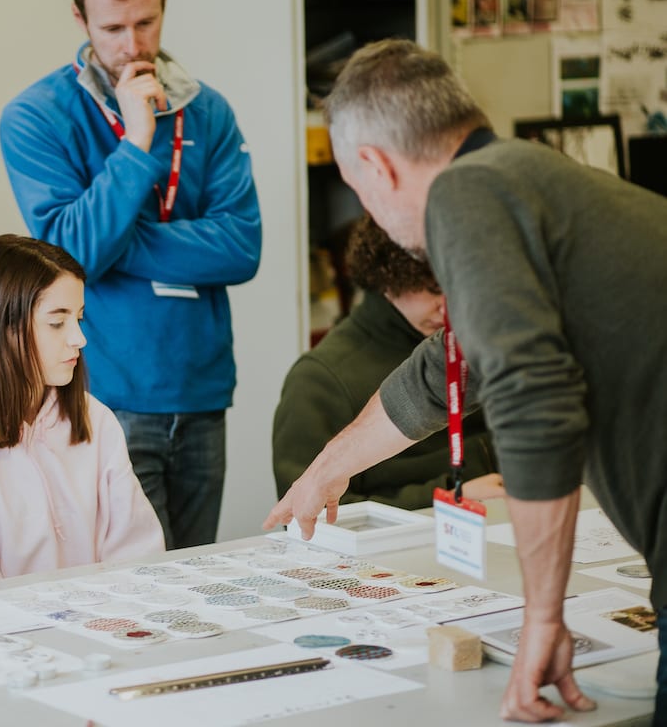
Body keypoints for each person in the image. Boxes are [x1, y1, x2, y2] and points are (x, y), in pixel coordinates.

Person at [264, 39, 667, 723]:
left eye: (360, 194)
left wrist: (542, 614)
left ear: (375, 168)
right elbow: (452, 365)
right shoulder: (527, 175)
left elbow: (536, 408)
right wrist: (326, 471)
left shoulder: (463, 197)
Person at [0, 0, 261, 550]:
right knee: (134, 585)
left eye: (147, 22)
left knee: (196, 581)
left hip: (201, 389)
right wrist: (137, 141)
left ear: (165, 2)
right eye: (113, 28)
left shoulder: (209, 110)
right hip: (104, 392)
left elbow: (241, 247)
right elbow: (71, 254)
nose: (134, 46)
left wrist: (119, 239)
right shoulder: (35, 115)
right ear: (79, 18)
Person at [0, 234, 164, 594]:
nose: (79, 339)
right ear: (2, 327)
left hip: (95, 631)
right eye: (57, 322)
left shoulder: (94, 419)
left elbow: (138, 559)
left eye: (79, 319)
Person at [273, 215, 502, 510]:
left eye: (456, 287)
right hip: (404, 545)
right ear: (388, 280)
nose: (447, 305)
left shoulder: (482, 343)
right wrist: (445, 497)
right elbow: (306, 513)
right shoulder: (319, 379)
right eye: (433, 288)